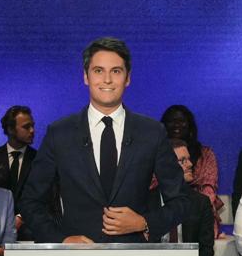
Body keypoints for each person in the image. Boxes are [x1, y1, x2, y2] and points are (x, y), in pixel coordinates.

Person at [20, 37, 190, 243]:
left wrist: (145, 222)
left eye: (116, 71)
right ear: (86, 76)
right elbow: (30, 202)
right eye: (98, 71)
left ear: (127, 78)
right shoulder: (60, 133)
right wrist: (61, 240)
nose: (107, 79)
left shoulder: (151, 132)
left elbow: (182, 201)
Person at [161, 104, 224, 236]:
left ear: (190, 126)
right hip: (163, 207)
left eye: (181, 121)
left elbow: (209, 189)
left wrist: (200, 208)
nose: (176, 125)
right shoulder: (156, 154)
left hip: (199, 210)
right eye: (172, 121)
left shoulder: (205, 154)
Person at [0, 105, 36, 237]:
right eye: (26, 127)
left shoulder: (40, 159)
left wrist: (20, 217)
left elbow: (43, 195)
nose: (32, 130)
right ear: (11, 129)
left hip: (30, 230)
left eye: (32, 126)